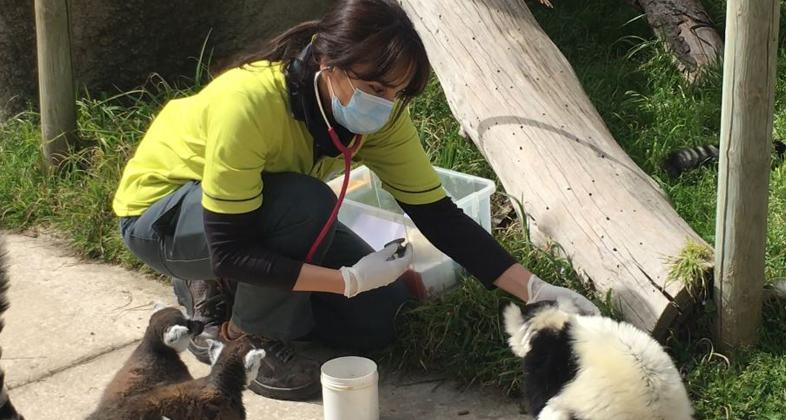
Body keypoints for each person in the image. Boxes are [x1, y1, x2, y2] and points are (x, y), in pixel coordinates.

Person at [112, 0, 599, 402]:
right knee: (304, 204)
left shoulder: (380, 118)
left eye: (398, 94)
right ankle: (246, 337)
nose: (383, 104)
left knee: (378, 319)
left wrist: (534, 290)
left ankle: (240, 293)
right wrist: (345, 281)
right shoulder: (250, 103)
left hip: (256, 212)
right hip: (164, 216)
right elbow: (232, 249)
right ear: (328, 65)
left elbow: (439, 215)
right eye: (373, 87)